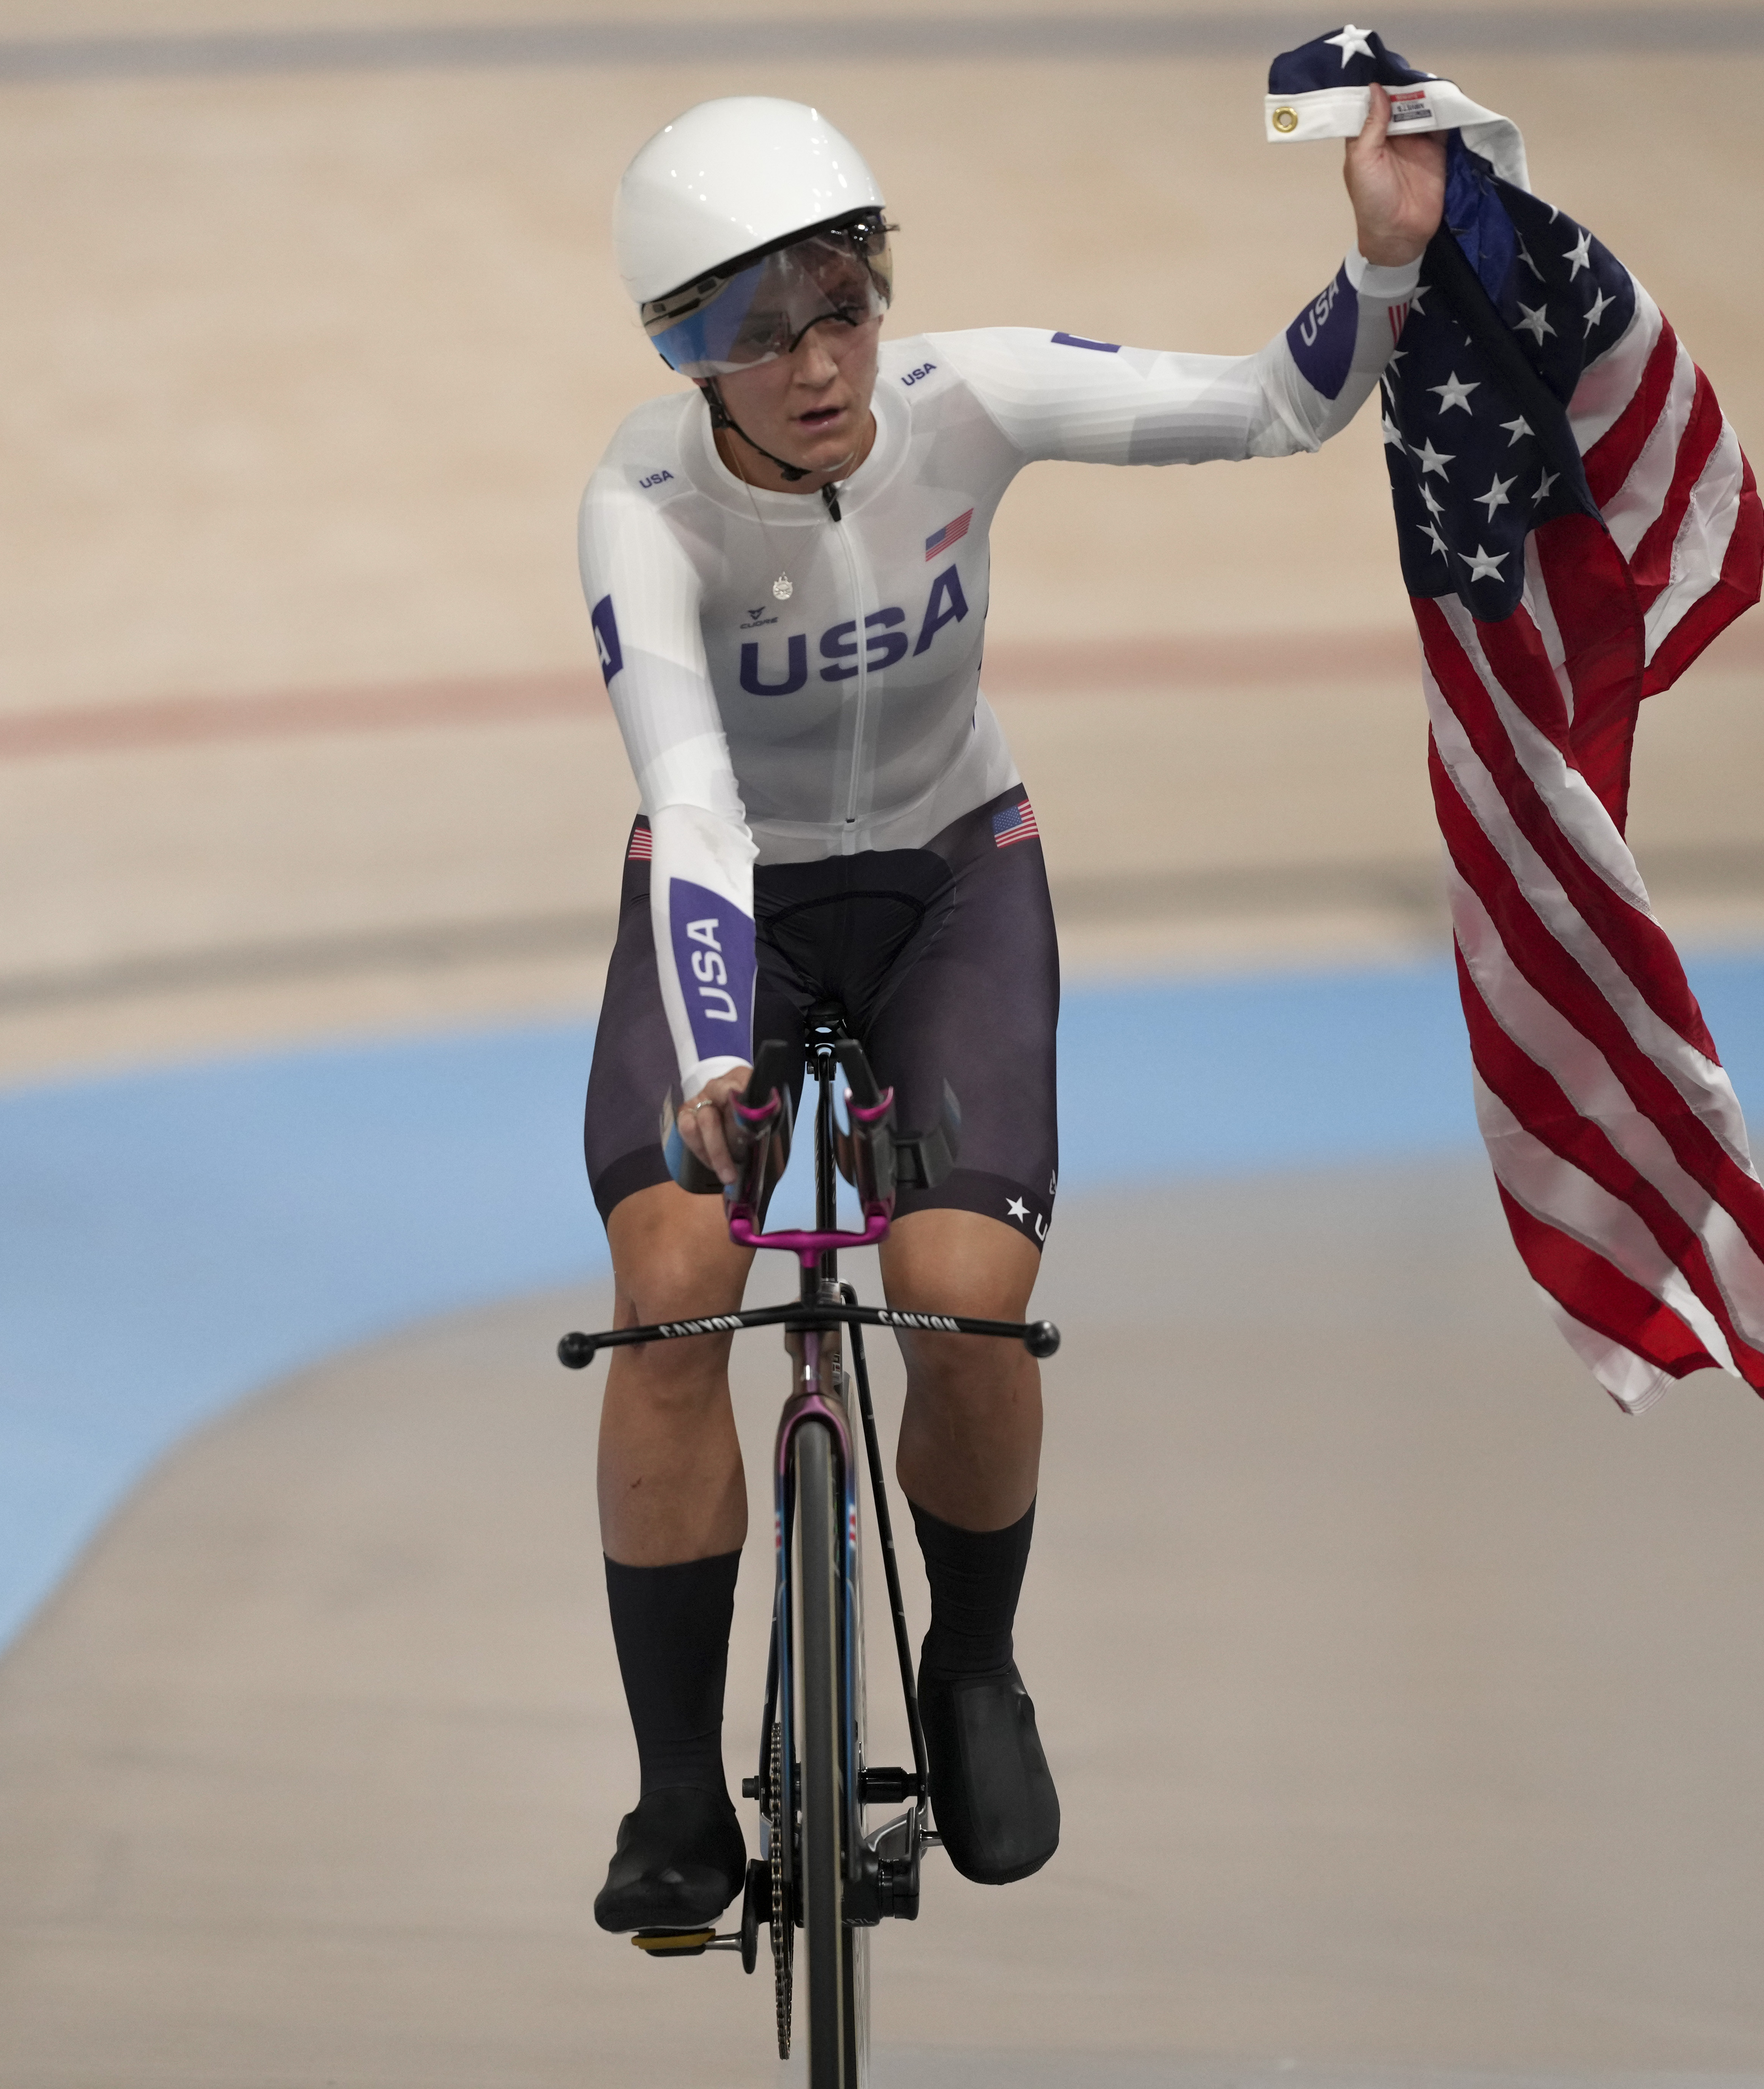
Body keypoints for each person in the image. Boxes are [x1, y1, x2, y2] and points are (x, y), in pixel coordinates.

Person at [580, 86, 1444, 1932]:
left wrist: (1377, 265)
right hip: (724, 901)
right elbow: (697, 795)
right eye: (757, 329)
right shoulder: (639, 508)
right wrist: (719, 1044)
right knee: (670, 1302)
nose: (818, 363)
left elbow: (1268, 404)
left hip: (949, 872)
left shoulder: (969, 399)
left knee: (966, 1308)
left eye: (843, 302)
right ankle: (672, 1795)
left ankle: (974, 1662)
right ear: (685, 353)